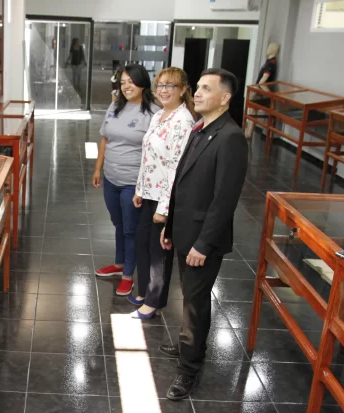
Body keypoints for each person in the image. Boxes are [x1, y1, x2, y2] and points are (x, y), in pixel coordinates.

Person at [159, 68, 248, 400]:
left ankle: (189, 369)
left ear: (224, 98)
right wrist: (169, 227)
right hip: (184, 229)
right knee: (190, 297)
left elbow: (225, 200)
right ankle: (188, 344)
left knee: (196, 302)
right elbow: (182, 183)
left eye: (205, 89)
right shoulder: (201, 128)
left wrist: (203, 243)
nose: (196, 93)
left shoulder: (231, 137)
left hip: (202, 239)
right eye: (196, 87)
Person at [129, 67, 197, 319]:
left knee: (159, 253)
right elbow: (148, 156)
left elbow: (175, 169)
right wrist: (140, 188)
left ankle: (154, 302)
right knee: (143, 244)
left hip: (163, 199)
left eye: (170, 86)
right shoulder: (159, 115)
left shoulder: (183, 121)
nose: (164, 90)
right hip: (149, 192)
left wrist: (164, 209)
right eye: (160, 85)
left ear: (182, 90)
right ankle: (146, 292)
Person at [93, 64, 161, 296]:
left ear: (143, 83)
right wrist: (98, 168)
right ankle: (119, 263)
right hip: (111, 177)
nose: (126, 86)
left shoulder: (153, 112)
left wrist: (143, 187)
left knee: (131, 229)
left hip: (133, 182)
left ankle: (128, 275)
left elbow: (155, 153)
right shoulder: (115, 106)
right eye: (122, 82)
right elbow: (105, 139)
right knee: (118, 223)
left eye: (131, 81)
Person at [245, 43, 279, 138]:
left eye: (270, 48)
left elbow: (262, 81)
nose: (267, 49)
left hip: (261, 92)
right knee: (252, 111)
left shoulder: (271, 64)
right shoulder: (268, 62)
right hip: (258, 90)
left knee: (253, 111)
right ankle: (249, 131)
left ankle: (249, 132)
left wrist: (262, 91)